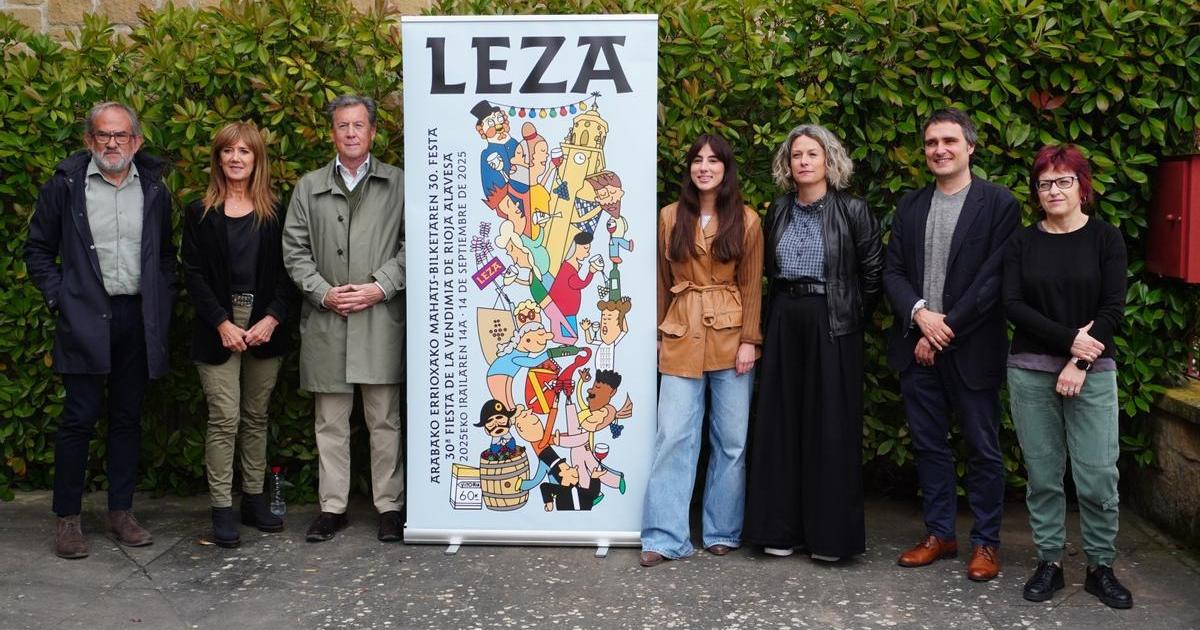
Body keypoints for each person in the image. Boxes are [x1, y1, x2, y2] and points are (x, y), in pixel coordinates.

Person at [24, 102, 176, 559]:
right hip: (85, 316)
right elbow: (37, 250)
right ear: (90, 140)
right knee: (79, 418)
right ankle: (68, 519)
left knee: (127, 418)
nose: (113, 143)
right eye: (104, 135)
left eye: (121, 135)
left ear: (137, 141)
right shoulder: (65, 186)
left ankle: (120, 512)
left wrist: (161, 298)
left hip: (136, 317)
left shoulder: (153, 187)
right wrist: (61, 297)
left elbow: (165, 255)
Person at [883, 108, 1018, 581]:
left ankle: (986, 543)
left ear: (970, 147)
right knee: (929, 446)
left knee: (982, 449)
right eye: (931, 142)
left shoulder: (998, 204)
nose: (939, 150)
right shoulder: (911, 205)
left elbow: (993, 280)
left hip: (972, 349)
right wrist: (921, 315)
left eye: (949, 141)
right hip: (917, 345)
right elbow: (893, 271)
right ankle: (939, 534)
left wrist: (944, 330)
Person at [743, 124, 882, 562]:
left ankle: (829, 538)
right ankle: (780, 530)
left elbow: (872, 275)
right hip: (785, 316)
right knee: (781, 422)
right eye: (796, 155)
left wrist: (849, 318)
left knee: (829, 426)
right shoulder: (779, 210)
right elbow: (767, 272)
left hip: (834, 322)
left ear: (829, 160)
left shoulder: (853, 210)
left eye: (812, 154)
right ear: (788, 165)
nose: (803, 161)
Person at [1004, 145, 1131, 608]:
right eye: (1045, 183)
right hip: (1030, 372)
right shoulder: (1022, 242)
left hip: (1093, 373)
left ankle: (1101, 567)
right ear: (1036, 191)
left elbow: (1112, 307)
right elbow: (1012, 304)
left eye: (1064, 181)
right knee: (1042, 475)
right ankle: (1049, 563)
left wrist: (1079, 362)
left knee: (1098, 475)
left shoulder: (1106, 239)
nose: (1054, 190)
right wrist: (1068, 341)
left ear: (1082, 186)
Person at [283, 94, 407, 544]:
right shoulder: (308, 187)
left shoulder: (399, 183)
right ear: (331, 132)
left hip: (379, 319)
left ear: (372, 132)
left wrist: (380, 286)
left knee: (384, 420)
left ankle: (389, 506)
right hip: (328, 320)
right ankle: (332, 507)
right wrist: (324, 293)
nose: (351, 133)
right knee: (330, 422)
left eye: (358, 125)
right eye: (342, 125)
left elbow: (416, 244)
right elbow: (294, 251)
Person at [640, 134, 763, 567]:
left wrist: (749, 340)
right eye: (697, 160)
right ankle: (663, 536)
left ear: (726, 169)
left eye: (713, 160)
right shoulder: (670, 216)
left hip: (731, 335)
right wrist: (659, 334)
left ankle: (722, 530)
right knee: (673, 436)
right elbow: (660, 280)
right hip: (680, 331)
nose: (704, 167)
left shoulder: (746, 220)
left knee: (731, 441)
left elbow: (752, 284)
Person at [182, 121, 296, 548]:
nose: (235, 158)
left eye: (244, 151)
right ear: (218, 158)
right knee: (224, 417)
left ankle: (253, 499)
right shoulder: (199, 212)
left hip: (264, 323)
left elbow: (288, 271)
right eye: (228, 150)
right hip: (218, 324)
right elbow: (192, 274)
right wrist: (221, 322)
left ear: (256, 159)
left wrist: (272, 318)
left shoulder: (275, 212)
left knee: (256, 416)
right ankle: (220, 509)